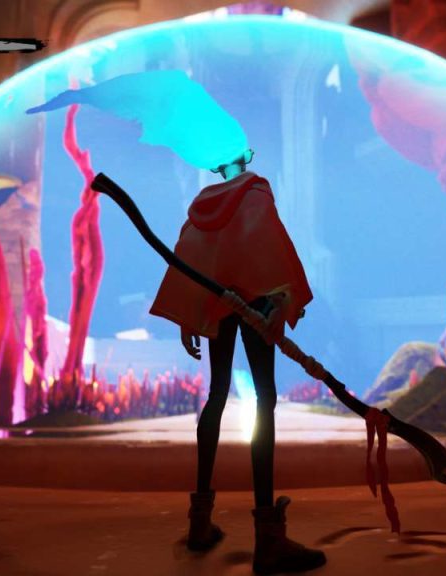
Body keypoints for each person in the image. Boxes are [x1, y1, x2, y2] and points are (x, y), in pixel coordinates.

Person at [149, 148, 325, 574]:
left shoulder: (204, 206)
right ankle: (268, 536)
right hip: (256, 302)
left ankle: (200, 523)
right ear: (244, 157)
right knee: (265, 398)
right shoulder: (255, 192)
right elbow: (270, 246)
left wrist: (190, 314)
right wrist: (280, 297)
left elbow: (192, 255)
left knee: (217, 393)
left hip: (219, 304)